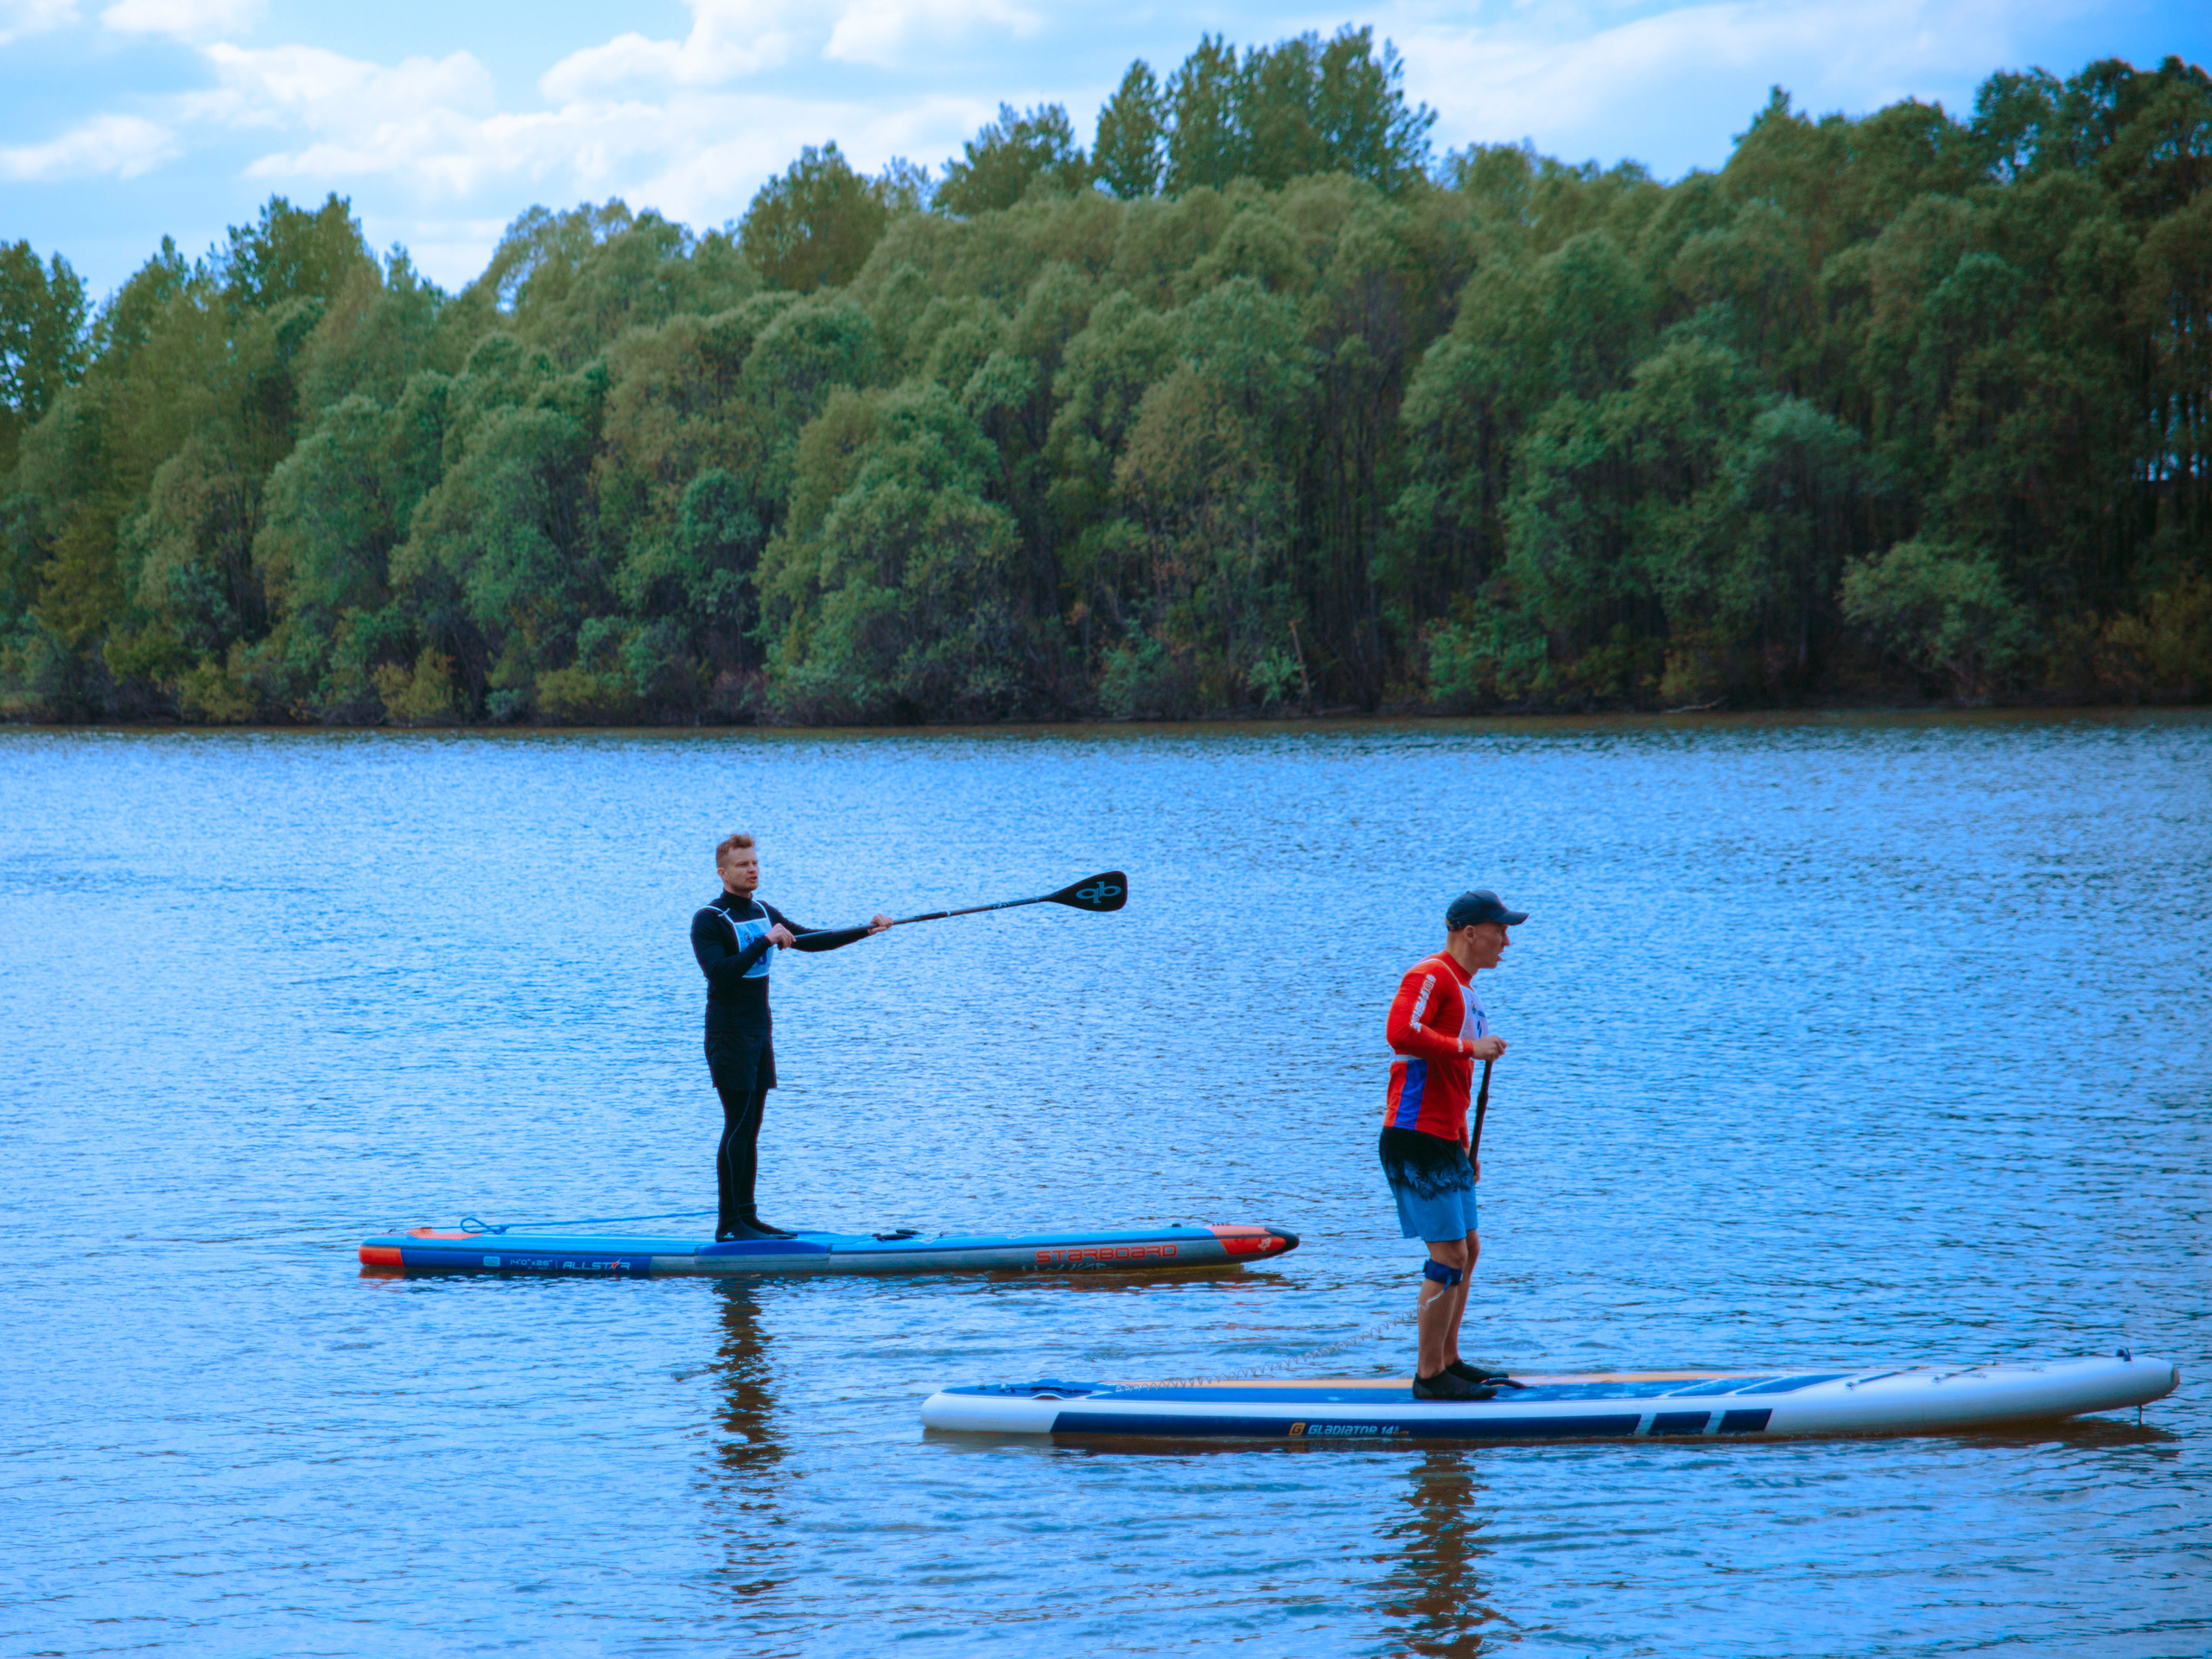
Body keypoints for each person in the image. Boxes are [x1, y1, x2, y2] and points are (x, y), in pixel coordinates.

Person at [690, 833, 892, 1241]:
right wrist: (765, 941)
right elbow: (720, 974)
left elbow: (813, 939)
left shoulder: (764, 910)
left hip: (759, 1033)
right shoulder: (709, 919)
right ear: (723, 872)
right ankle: (729, 1225)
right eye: (743, 864)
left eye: (755, 862)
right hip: (727, 1035)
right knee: (738, 1123)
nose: (752, 869)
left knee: (752, 1126)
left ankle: (748, 1218)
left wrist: (865, 931)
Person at [1381, 887, 1527, 1401]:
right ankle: (1428, 1378)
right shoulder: (1430, 975)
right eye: (1500, 929)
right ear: (1471, 932)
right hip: (1414, 1136)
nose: (1506, 940)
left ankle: (1449, 1360)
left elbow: (1454, 1082)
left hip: (1446, 1139)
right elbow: (1400, 1032)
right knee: (1448, 1254)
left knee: (1471, 1248)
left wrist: (1468, 1148)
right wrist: (1470, 1046)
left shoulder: (1467, 990)